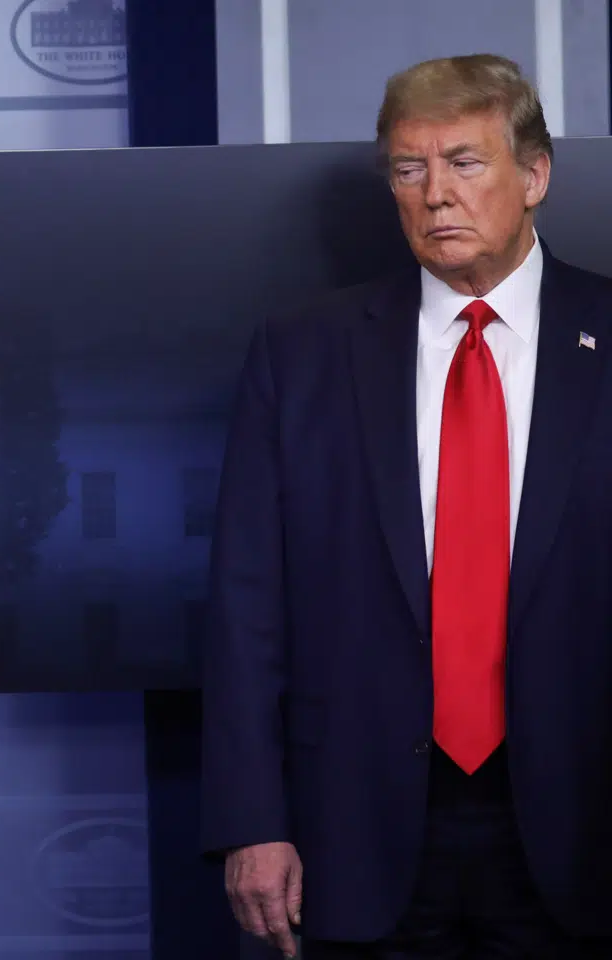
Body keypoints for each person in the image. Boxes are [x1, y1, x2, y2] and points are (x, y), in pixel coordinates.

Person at [202, 53, 612, 958]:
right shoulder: (302, 354)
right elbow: (246, 605)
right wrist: (251, 820)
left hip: (586, 830)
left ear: (534, 175)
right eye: (407, 169)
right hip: (355, 830)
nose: (435, 195)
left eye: (464, 162)